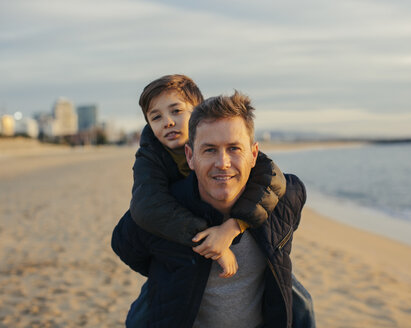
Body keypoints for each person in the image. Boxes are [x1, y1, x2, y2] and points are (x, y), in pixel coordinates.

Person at [112, 91, 314, 327]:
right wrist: (170, 271)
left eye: (234, 149)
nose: (223, 163)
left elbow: (292, 193)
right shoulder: (161, 213)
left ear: (254, 154)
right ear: (190, 156)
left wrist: (234, 225)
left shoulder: (282, 200)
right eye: (209, 150)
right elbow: (126, 247)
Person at [126, 74, 286, 277]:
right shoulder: (150, 156)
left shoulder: (221, 137)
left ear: (197, 113)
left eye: (176, 111)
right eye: (156, 117)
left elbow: (273, 180)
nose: (167, 122)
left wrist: (233, 227)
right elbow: (147, 206)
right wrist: (208, 239)